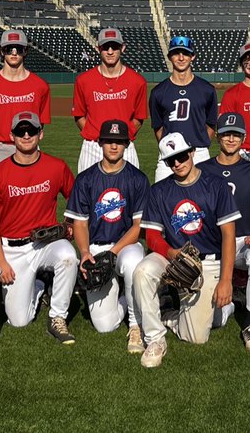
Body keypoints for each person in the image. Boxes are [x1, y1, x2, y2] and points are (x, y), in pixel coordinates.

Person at [133, 133, 240, 368]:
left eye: (182, 156)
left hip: (208, 262)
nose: (178, 163)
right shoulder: (159, 191)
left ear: (192, 152)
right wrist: (172, 253)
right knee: (143, 271)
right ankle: (155, 339)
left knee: (197, 337)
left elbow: (228, 235)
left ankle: (179, 312)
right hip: (173, 257)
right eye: (171, 160)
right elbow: (152, 236)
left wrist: (226, 280)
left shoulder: (216, 186)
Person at [0, 112, 79, 344]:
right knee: (19, 321)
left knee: (68, 256)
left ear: (41, 134)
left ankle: (57, 316)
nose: (26, 135)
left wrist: (69, 224)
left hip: (45, 242)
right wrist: (0, 259)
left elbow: (77, 198)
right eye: (20, 131)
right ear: (11, 136)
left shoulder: (56, 167)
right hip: (13, 248)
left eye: (32, 130)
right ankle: (41, 284)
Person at [65, 119, 149, 352]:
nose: (114, 146)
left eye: (119, 141)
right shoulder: (85, 179)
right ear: (100, 142)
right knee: (105, 326)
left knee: (133, 263)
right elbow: (80, 223)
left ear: (127, 145)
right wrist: (84, 252)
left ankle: (135, 325)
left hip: (126, 245)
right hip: (96, 246)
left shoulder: (138, 179)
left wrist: (113, 253)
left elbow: (138, 227)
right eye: (109, 141)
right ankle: (127, 297)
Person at [199, 112, 250, 351]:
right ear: (217, 137)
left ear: (244, 138)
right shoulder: (202, 169)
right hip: (212, 244)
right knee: (214, 321)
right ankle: (233, 304)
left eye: (236, 135)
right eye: (226, 134)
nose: (231, 139)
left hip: (242, 242)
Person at [73, 27, 148, 173]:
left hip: (124, 144)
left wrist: (124, 135)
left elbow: (139, 117)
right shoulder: (83, 80)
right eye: (105, 47)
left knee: (130, 187)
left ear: (123, 48)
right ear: (98, 48)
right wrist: (93, 134)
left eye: (115, 46)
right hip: (93, 146)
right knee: (88, 187)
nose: (110, 51)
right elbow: (79, 115)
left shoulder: (137, 81)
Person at [0, 29, 51, 170]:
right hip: (0, 149)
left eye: (19, 48)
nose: (14, 53)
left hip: (30, 148)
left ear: (26, 51)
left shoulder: (40, 86)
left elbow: (40, 122)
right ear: (1, 51)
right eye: (9, 48)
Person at [149, 35, 218, 181]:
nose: (181, 58)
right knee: (161, 192)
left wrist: (200, 144)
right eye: (176, 53)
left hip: (199, 152)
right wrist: (169, 145)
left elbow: (211, 124)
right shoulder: (158, 92)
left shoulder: (207, 89)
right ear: (169, 56)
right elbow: (158, 127)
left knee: (202, 194)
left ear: (192, 56)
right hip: (169, 152)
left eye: (186, 53)